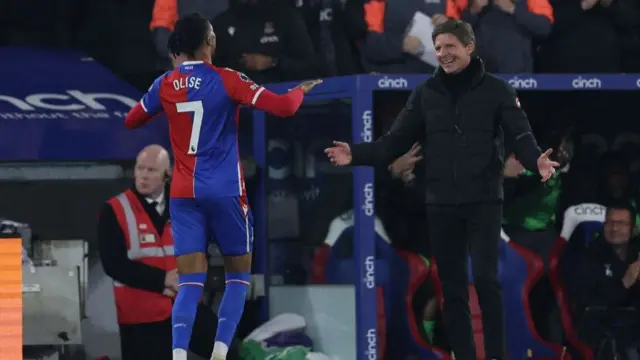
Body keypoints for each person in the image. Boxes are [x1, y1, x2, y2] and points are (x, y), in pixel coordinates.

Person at [324, 19, 558, 360]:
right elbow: (393, 143)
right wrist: (355, 154)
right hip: (441, 203)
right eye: (438, 48)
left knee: (485, 281)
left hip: (483, 201)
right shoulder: (425, 94)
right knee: (452, 289)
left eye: (450, 46)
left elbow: (520, 135)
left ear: (468, 47)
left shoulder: (497, 91)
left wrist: (536, 160)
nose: (443, 54)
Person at [123, 13, 322, 360]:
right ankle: (218, 353)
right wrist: (299, 92)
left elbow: (131, 119)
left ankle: (179, 356)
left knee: (189, 283)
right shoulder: (228, 79)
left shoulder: (164, 84)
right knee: (238, 278)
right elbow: (283, 106)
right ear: (208, 43)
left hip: (184, 195)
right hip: (226, 192)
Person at [98, 145, 215, 360]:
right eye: (140, 169)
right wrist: (163, 281)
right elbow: (113, 264)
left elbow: (200, 250)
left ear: (166, 174)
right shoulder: (114, 209)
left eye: (151, 170)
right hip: (142, 317)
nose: (143, 176)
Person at [574, 202, 640, 359]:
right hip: (605, 331)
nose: (614, 228)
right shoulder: (591, 257)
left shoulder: (636, 252)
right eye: (609, 222)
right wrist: (625, 283)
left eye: (621, 223)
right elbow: (590, 305)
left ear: (633, 230)